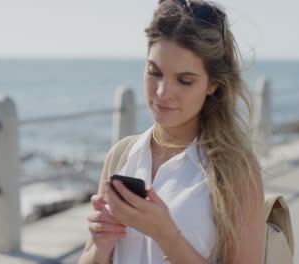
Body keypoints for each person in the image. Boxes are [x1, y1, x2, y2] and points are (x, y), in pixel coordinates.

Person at [78, 0, 265, 263]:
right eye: (154, 73)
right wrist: (100, 246)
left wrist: (166, 235)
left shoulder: (236, 169)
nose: (163, 93)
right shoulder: (121, 155)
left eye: (185, 80)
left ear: (212, 83)